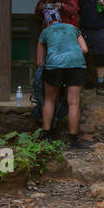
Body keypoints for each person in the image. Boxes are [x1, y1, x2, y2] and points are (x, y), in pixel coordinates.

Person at [36, 11, 90, 149]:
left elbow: (39, 61)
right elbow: (84, 49)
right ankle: (73, 140)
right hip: (76, 63)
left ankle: (47, 135)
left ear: (46, 22)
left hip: (54, 65)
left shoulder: (45, 32)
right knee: (74, 102)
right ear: (60, 19)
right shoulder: (72, 28)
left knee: (49, 100)